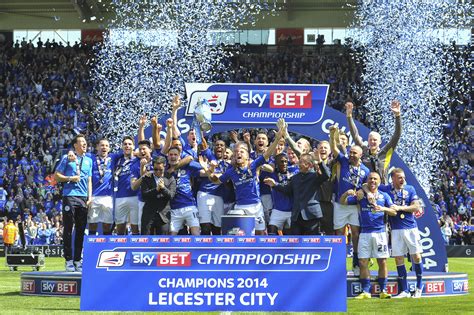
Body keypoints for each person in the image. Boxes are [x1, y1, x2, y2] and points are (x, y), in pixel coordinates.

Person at [207, 119, 286, 235]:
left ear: (248, 156)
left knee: (260, 234)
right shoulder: (231, 171)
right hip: (240, 208)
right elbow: (216, 181)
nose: (239, 153)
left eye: (242, 152)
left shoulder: (253, 165)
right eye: (237, 152)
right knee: (240, 235)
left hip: (256, 205)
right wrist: (210, 171)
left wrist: (277, 139)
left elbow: (267, 153)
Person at [341, 172, 397, 299]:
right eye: (370, 178)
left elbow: (394, 211)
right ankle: (366, 291)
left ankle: (383, 290)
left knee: (382, 261)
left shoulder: (384, 196)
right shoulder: (361, 195)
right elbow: (343, 202)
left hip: (380, 233)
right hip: (365, 233)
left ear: (379, 182)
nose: (373, 181)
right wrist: (347, 194)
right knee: (362, 261)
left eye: (375, 179)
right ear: (367, 181)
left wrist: (383, 209)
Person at [330, 125, 369, 276]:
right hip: (340, 204)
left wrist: (363, 191)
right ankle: (340, 267)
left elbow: (366, 186)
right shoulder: (344, 161)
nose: (351, 155)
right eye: (351, 152)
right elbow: (334, 148)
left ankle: (356, 264)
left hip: (354, 206)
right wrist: (333, 134)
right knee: (339, 234)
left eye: (355, 153)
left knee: (356, 235)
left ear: (360, 155)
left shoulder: (365, 170)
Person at [379, 168, 424, 298]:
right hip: (395, 229)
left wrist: (400, 208)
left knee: (416, 256)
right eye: (399, 177)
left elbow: (416, 207)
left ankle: (419, 287)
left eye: (403, 177)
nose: (402, 179)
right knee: (399, 258)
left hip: (411, 228)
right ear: (392, 178)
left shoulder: (410, 189)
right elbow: (369, 185)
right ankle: (404, 290)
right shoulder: (386, 189)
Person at [55, 134, 93, 272]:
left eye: (85, 142)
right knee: (68, 229)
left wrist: (90, 196)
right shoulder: (67, 158)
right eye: (81, 142)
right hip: (70, 196)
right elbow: (56, 176)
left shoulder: (89, 160)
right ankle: (68, 260)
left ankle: (78, 260)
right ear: (75, 145)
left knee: (81, 230)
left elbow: (89, 180)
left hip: (83, 198)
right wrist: (70, 178)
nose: (84, 144)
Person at [345, 101, 401, 184]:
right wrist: (349, 116)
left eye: (375, 140)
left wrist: (397, 116)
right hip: (365, 187)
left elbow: (397, 135)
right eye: (370, 139)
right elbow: (355, 135)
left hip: (381, 189)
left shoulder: (385, 152)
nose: (372, 142)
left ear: (380, 142)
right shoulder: (363, 150)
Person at [140, 156, 176, 235]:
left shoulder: (170, 178)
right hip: (148, 215)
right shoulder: (147, 178)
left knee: (163, 244)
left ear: (165, 166)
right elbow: (144, 195)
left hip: (164, 216)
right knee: (145, 242)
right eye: (156, 169)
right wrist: (156, 189)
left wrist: (163, 188)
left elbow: (171, 196)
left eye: (161, 169)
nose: (158, 171)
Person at [264, 153, 296, 235]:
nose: (284, 164)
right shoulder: (272, 173)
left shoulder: (293, 172)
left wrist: (275, 184)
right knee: (271, 232)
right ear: (276, 164)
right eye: (282, 162)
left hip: (291, 211)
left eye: (286, 161)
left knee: (289, 237)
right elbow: (263, 165)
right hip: (277, 210)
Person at [113, 136, 139, 235]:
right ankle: (120, 249)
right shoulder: (117, 160)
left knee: (135, 228)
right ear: (122, 146)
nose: (127, 146)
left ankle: (135, 249)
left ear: (134, 146)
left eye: (129, 144)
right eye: (125, 144)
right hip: (120, 197)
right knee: (120, 228)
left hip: (135, 196)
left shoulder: (138, 159)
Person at [88, 139, 113, 235]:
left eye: (107, 146)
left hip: (108, 197)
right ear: (97, 147)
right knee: (92, 224)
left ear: (109, 148)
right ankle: (92, 247)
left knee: (107, 225)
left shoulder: (113, 158)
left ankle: (106, 246)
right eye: (102, 145)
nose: (104, 147)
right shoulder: (91, 158)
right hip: (94, 196)